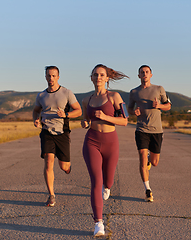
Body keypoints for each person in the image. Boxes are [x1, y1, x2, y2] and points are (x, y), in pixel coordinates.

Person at [81, 64, 128, 237]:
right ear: (91, 78)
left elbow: (125, 121)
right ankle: (98, 223)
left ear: (107, 78)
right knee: (95, 181)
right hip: (92, 142)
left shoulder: (115, 96)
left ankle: (108, 187)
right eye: (95, 75)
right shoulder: (87, 100)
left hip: (111, 143)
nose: (98, 77)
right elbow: (85, 120)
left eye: (102, 75)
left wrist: (106, 117)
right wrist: (85, 123)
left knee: (108, 181)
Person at [33, 65, 82, 207]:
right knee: (48, 161)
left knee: (63, 166)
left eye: (54, 76)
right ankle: (51, 195)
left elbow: (78, 111)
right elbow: (36, 110)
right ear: (45, 77)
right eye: (48, 75)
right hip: (46, 132)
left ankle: (67, 167)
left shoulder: (66, 93)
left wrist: (66, 114)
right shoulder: (41, 95)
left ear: (58, 77)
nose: (51, 78)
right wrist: (36, 119)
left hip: (62, 133)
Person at [128, 65, 171, 202]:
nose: (144, 74)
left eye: (147, 72)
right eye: (142, 72)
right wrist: (133, 112)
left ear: (151, 75)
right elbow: (129, 108)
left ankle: (149, 161)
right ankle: (148, 190)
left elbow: (168, 106)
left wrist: (159, 106)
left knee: (155, 162)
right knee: (141, 156)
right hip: (141, 129)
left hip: (157, 131)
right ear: (139, 75)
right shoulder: (134, 92)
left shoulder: (159, 89)